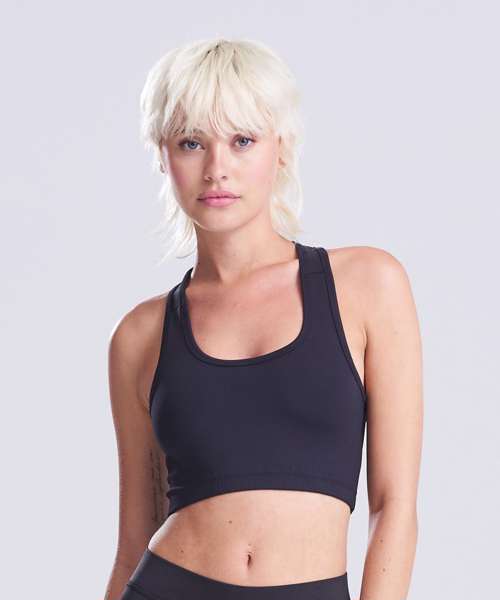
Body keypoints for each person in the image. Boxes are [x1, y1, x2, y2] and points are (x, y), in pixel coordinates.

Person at [104, 37, 423, 600]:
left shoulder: (368, 285)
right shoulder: (140, 335)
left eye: (242, 140)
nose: (217, 169)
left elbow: (394, 506)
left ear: (281, 147)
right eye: (191, 143)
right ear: (163, 155)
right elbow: (133, 543)